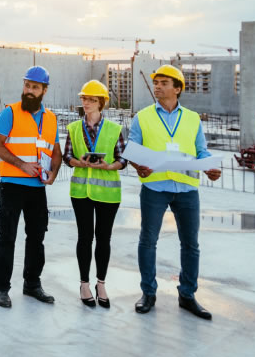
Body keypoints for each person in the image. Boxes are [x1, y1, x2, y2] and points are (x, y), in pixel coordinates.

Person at [129, 64, 223, 319]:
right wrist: (139, 166)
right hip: (155, 187)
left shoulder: (192, 118)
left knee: (190, 244)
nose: (157, 87)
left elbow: (201, 150)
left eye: (163, 83)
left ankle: (187, 294)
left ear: (177, 88)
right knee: (148, 241)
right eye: (156, 82)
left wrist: (210, 167)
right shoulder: (143, 116)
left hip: (186, 190)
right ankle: (148, 292)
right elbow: (133, 149)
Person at [0, 65, 62, 308]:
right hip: (12, 185)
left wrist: (52, 173)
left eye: (34, 87)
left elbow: (56, 153)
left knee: (37, 237)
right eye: (27, 85)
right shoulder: (10, 112)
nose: (29, 91)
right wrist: (22, 165)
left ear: (44, 90)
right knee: (7, 237)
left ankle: (32, 284)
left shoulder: (51, 119)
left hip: (37, 188)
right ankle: (2, 288)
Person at [63, 80, 126, 308]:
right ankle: (84, 284)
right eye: (84, 99)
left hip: (108, 195)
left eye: (91, 100)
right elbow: (67, 156)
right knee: (84, 238)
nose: (86, 103)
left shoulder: (114, 129)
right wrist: (76, 161)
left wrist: (108, 166)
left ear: (101, 103)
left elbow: (122, 159)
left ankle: (101, 283)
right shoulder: (73, 128)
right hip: (81, 192)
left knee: (103, 239)